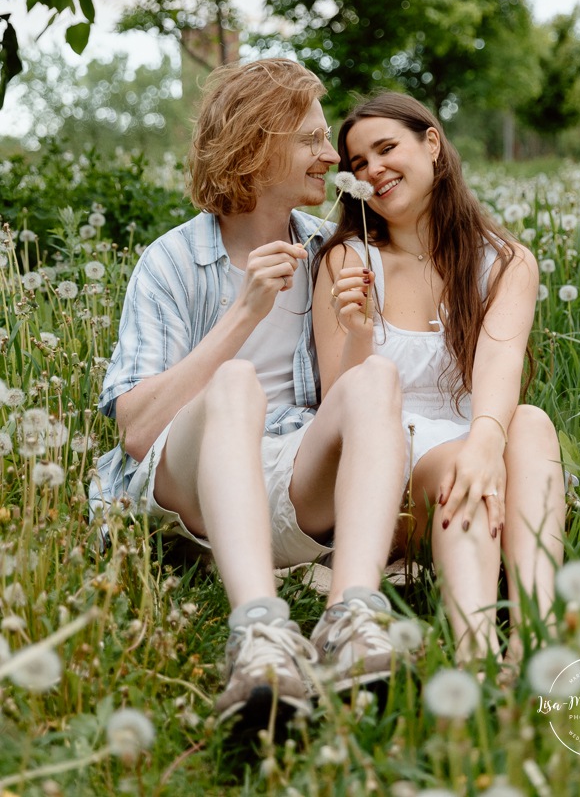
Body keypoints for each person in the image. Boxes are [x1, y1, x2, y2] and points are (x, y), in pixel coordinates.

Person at [92, 60, 408, 731]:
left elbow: (342, 410)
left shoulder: (332, 250)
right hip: (187, 493)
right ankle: (258, 632)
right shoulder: (172, 261)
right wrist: (243, 314)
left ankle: (350, 615)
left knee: (377, 378)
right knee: (234, 382)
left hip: (285, 482)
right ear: (257, 146)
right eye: (311, 139)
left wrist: (356, 335)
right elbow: (137, 434)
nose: (331, 154)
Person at [312, 92, 566, 666]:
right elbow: (342, 405)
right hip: (380, 476)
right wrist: (356, 330)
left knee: (527, 420)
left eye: (385, 148)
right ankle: (475, 660)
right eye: (358, 164)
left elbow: (500, 371)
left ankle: (536, 639)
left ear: (432, 145)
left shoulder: (504, 262)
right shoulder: (348, 260)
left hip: (473, 449)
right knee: (465, 459)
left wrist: (484, 444)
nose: (373, 169)